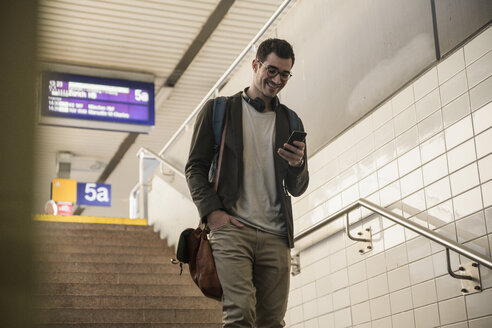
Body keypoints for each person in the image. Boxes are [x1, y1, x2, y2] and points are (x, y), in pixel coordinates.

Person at [185, 38, 309, 327]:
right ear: (256, 65)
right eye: (272, 70)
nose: (277, 80)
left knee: (272, 321)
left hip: (276, 236)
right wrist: (213, 214)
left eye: (285, 74)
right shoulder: (219, 110)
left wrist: (297, 164)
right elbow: (195, 167)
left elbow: (298, 186)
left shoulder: (291, 121)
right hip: (232, 230)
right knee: (239, 314)